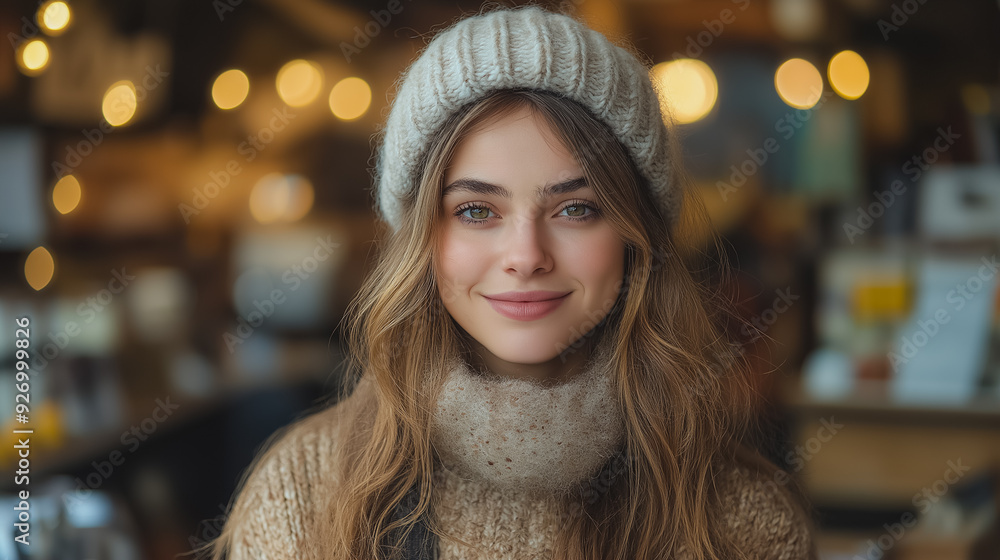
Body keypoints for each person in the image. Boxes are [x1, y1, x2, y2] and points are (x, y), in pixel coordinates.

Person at [200, 4, 818, 559]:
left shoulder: (744, 522)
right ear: (422, 242)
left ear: (637, 238)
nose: (525, 256)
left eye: (577, 209)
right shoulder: (304, 495)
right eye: (476, 210)